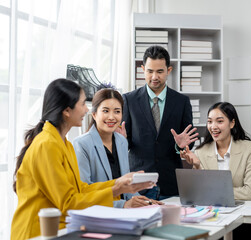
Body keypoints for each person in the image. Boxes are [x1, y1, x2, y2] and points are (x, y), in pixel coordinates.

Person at [11, 79, 153, 240]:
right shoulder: (47, 145)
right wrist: (115, 189)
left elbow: (80, 189)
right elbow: (68, 203)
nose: (86, 109)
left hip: (60, 231)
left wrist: (119, 184)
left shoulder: (65, 144)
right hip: (36, 233)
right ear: (66, 110)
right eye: (82, 104)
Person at [122, 45, 198, 200]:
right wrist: (121, 141)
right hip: (138, 184)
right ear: (142, 69)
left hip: (170, 183)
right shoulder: (128, 100)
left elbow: (187, 141)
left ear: (169, 70)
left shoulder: (182, 102)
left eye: (160, 71)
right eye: (150, 71)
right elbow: (126, 142)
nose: (154, 76)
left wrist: (181, 146)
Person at [180, 102, 251, 240]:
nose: (213, 127)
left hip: (243, 217)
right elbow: (199, 194)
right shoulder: (200, 152)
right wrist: (198, 166)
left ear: (232, 123)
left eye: (219, 121)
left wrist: (214, 193)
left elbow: (250, 192)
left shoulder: (249, 148)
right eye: (210, 122)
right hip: (213, 217)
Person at [73, 88, 162, 208]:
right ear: (94, 114)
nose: (111, 117)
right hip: (101, 213)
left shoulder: (121, 141)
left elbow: (125, 185)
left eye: (117, 111)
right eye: (105, 111)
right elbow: (84, 193)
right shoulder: (81, 144)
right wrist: (123, 204)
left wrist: (142, 200)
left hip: (124, 213)